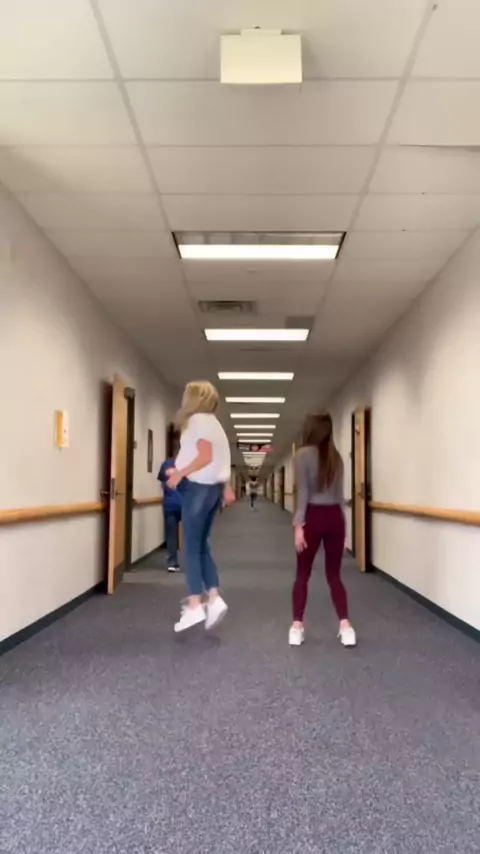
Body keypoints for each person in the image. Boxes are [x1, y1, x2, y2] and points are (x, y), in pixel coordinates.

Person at [167, 381, 235, 633]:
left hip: (198, 489)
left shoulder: (196, 421)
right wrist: (226, 486)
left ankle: (195, 604)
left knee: (191, 547)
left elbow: (205, 456)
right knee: (202, 544)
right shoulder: (215, 424)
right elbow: (214, 460)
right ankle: (214, 598)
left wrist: (179, 473)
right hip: (213, 490)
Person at [289, 413, 356, 648]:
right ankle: (346, 628)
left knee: (302, 574)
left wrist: (299, 526)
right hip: (335, 518)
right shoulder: (337, 458)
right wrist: (344, 529)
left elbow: (303, 493)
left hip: (313, 517)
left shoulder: (302, 455)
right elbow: (340, 497)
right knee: (334, 575)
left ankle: (297, 627)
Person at [158, 440, 184, 572]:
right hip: (188, 504)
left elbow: (162, 482)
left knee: (171, 534)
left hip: (170, 503)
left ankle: (172, 563)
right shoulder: (192, 465)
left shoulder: (166, 464)